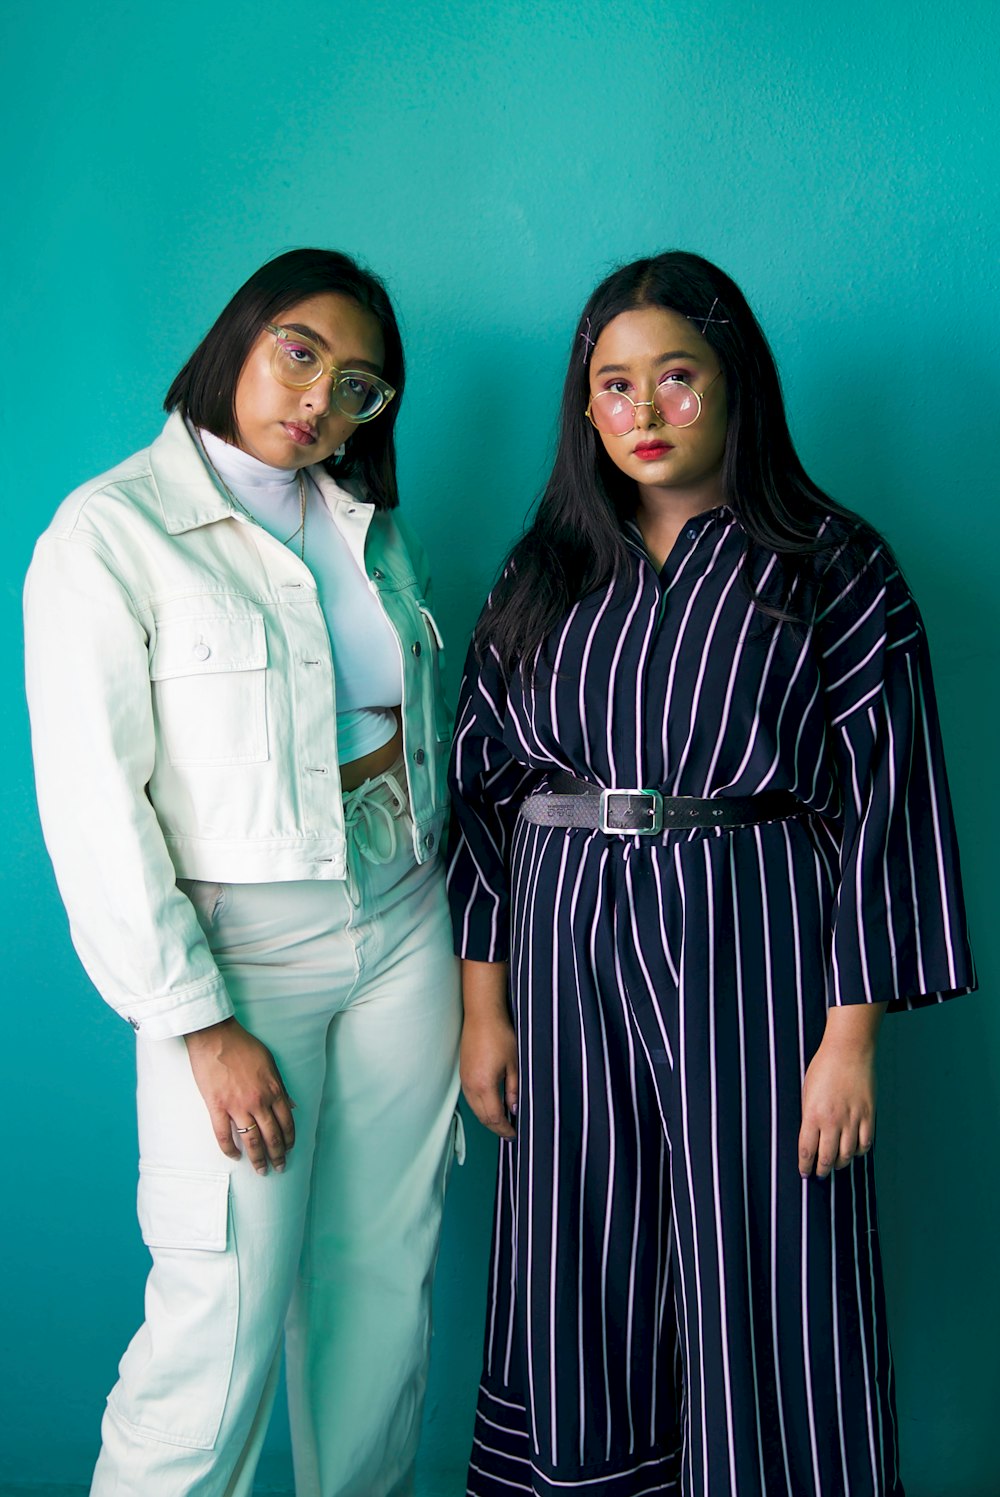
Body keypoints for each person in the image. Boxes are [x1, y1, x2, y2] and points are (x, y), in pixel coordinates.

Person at [447, 250, 975, 1497]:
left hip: (753, 934)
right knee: (586, 1241)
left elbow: (887, 805)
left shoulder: (833, 563)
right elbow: (482, 796)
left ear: (731, 386)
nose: (642, 411)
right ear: (584, 406)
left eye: (673, 378)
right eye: (613, 385)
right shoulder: (541, 574)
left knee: (768, 1242)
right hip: (565, 936)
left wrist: (849, 1043)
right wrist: (484, 1008)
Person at [24, 248, 462, 1497]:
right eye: (302, 351)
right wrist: (196, 1023)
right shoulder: (109, 535)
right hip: (239, 964)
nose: (323, 398)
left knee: (379, 1303)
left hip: (401, 930)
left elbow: (411, 737)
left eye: (362, 387)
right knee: (218, 1324)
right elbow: (97, 809)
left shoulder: (375, 535)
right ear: (243, 336)